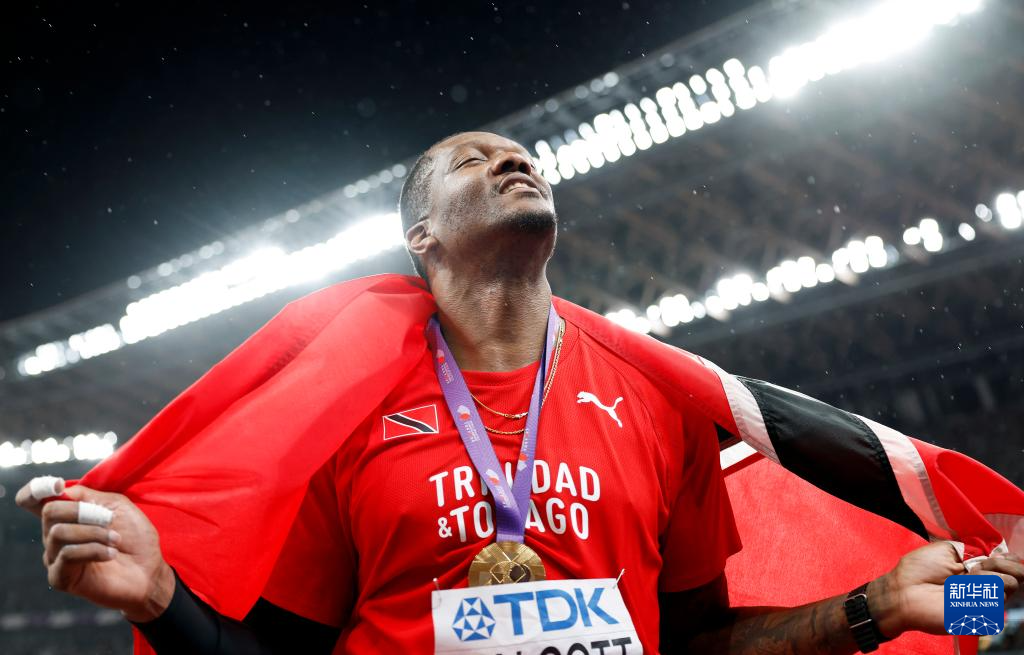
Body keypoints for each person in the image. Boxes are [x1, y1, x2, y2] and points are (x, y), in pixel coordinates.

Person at [16, 131, 1024, 654]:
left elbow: (694, 643)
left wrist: (877, 605)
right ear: (420, 237)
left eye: (520, 155)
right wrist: (162, 599)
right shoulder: (339, 413)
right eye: (472, 159)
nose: (511, 159)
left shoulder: (657, 399)